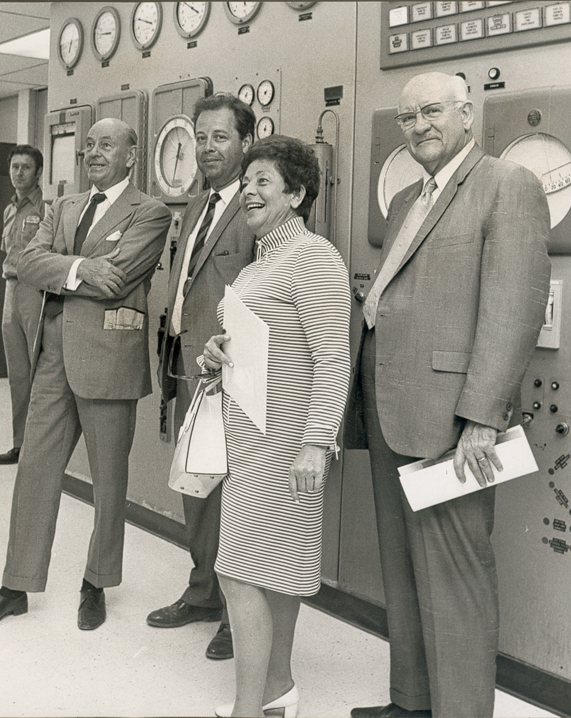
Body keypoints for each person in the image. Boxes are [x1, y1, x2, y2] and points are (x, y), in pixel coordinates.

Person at [345, 72, 551, 718]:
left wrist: (482, 419)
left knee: (455, 580)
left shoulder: (506, 185)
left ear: (468, 113)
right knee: (402, 570)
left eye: (433, 111)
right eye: (408, 119)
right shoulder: (407, 198)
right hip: (389, 405)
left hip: (453, 418)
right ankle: (410, 702)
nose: (420, 127)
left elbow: (514, 309)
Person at [0, 118, 172, 633]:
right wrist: (82, 269)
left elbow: (118, 276)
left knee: (108, 482)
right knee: (35, 470)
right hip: (53, 357)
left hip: (109, 359)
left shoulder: (151, 211)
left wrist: (60, 268)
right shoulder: (63, 206)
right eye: (89, 145)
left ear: (132, 153)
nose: (93, 152)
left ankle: (95, 583)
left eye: (106, 144)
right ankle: (16, 585)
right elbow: (24, 259)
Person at [203, 135, 351, 717]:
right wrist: (215, 351)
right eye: (247, 181)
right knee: (276, 571)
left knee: (237, 573)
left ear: (297, 192)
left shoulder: (313, 256)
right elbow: (266, 344)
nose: (249, 190)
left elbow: (331, 358)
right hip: (250, 437)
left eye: (264, 181)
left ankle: (247, 710)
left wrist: (315, 443)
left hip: (285, 442)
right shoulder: (264, 261)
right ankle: (278, 692)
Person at [149, 94, 256, 661]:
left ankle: (239, 618)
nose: (209, 148)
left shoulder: (260, 205)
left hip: (235, 372)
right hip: (189, 362)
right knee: (197, 486)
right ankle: (202, 592)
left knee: (234, 497)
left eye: (220, 137)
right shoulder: (195, 205)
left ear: (245, 140)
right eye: (202, 138)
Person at [0, 145, 45, 466]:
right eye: (14, 167)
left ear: (38, 172)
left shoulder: (47, 209)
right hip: (10, 288)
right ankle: (19, 443)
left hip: (35, 291)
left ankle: (40, 445)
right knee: (18, 373)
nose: (19, 173)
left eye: (26, 167)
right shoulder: (9, 209)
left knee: (39, 369)